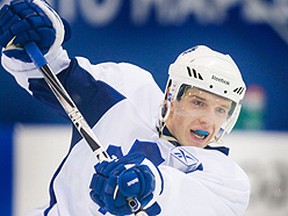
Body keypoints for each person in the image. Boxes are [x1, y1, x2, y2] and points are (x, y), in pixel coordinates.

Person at [0, 0, 250, 215]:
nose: (209, 120)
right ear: (172, 96)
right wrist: (40, 39)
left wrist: (150, 183)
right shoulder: (127, 89)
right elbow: (51, 75)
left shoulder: (228, 179)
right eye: (198, 102)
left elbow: (185, 199)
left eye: (221, 110)